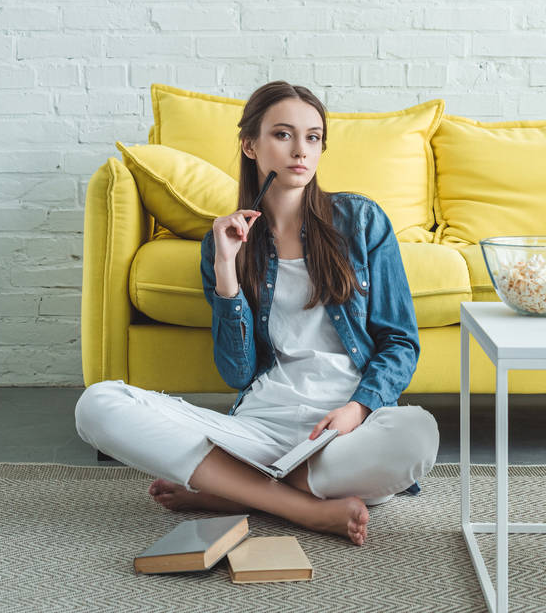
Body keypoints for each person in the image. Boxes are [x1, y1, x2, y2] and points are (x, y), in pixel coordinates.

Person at [75, 81, 439, 546]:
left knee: (418, 433)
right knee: (98, 404)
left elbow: (400, 341)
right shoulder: (222, 244)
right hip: (256, 430)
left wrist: (357, 408)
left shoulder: (362, 221)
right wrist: (226, 270)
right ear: (251, 144)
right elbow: (237, 372)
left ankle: (233, 491)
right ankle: (301, 508)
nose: (300, 150)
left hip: (341, 434)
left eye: (313, 137)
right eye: (283, 135)